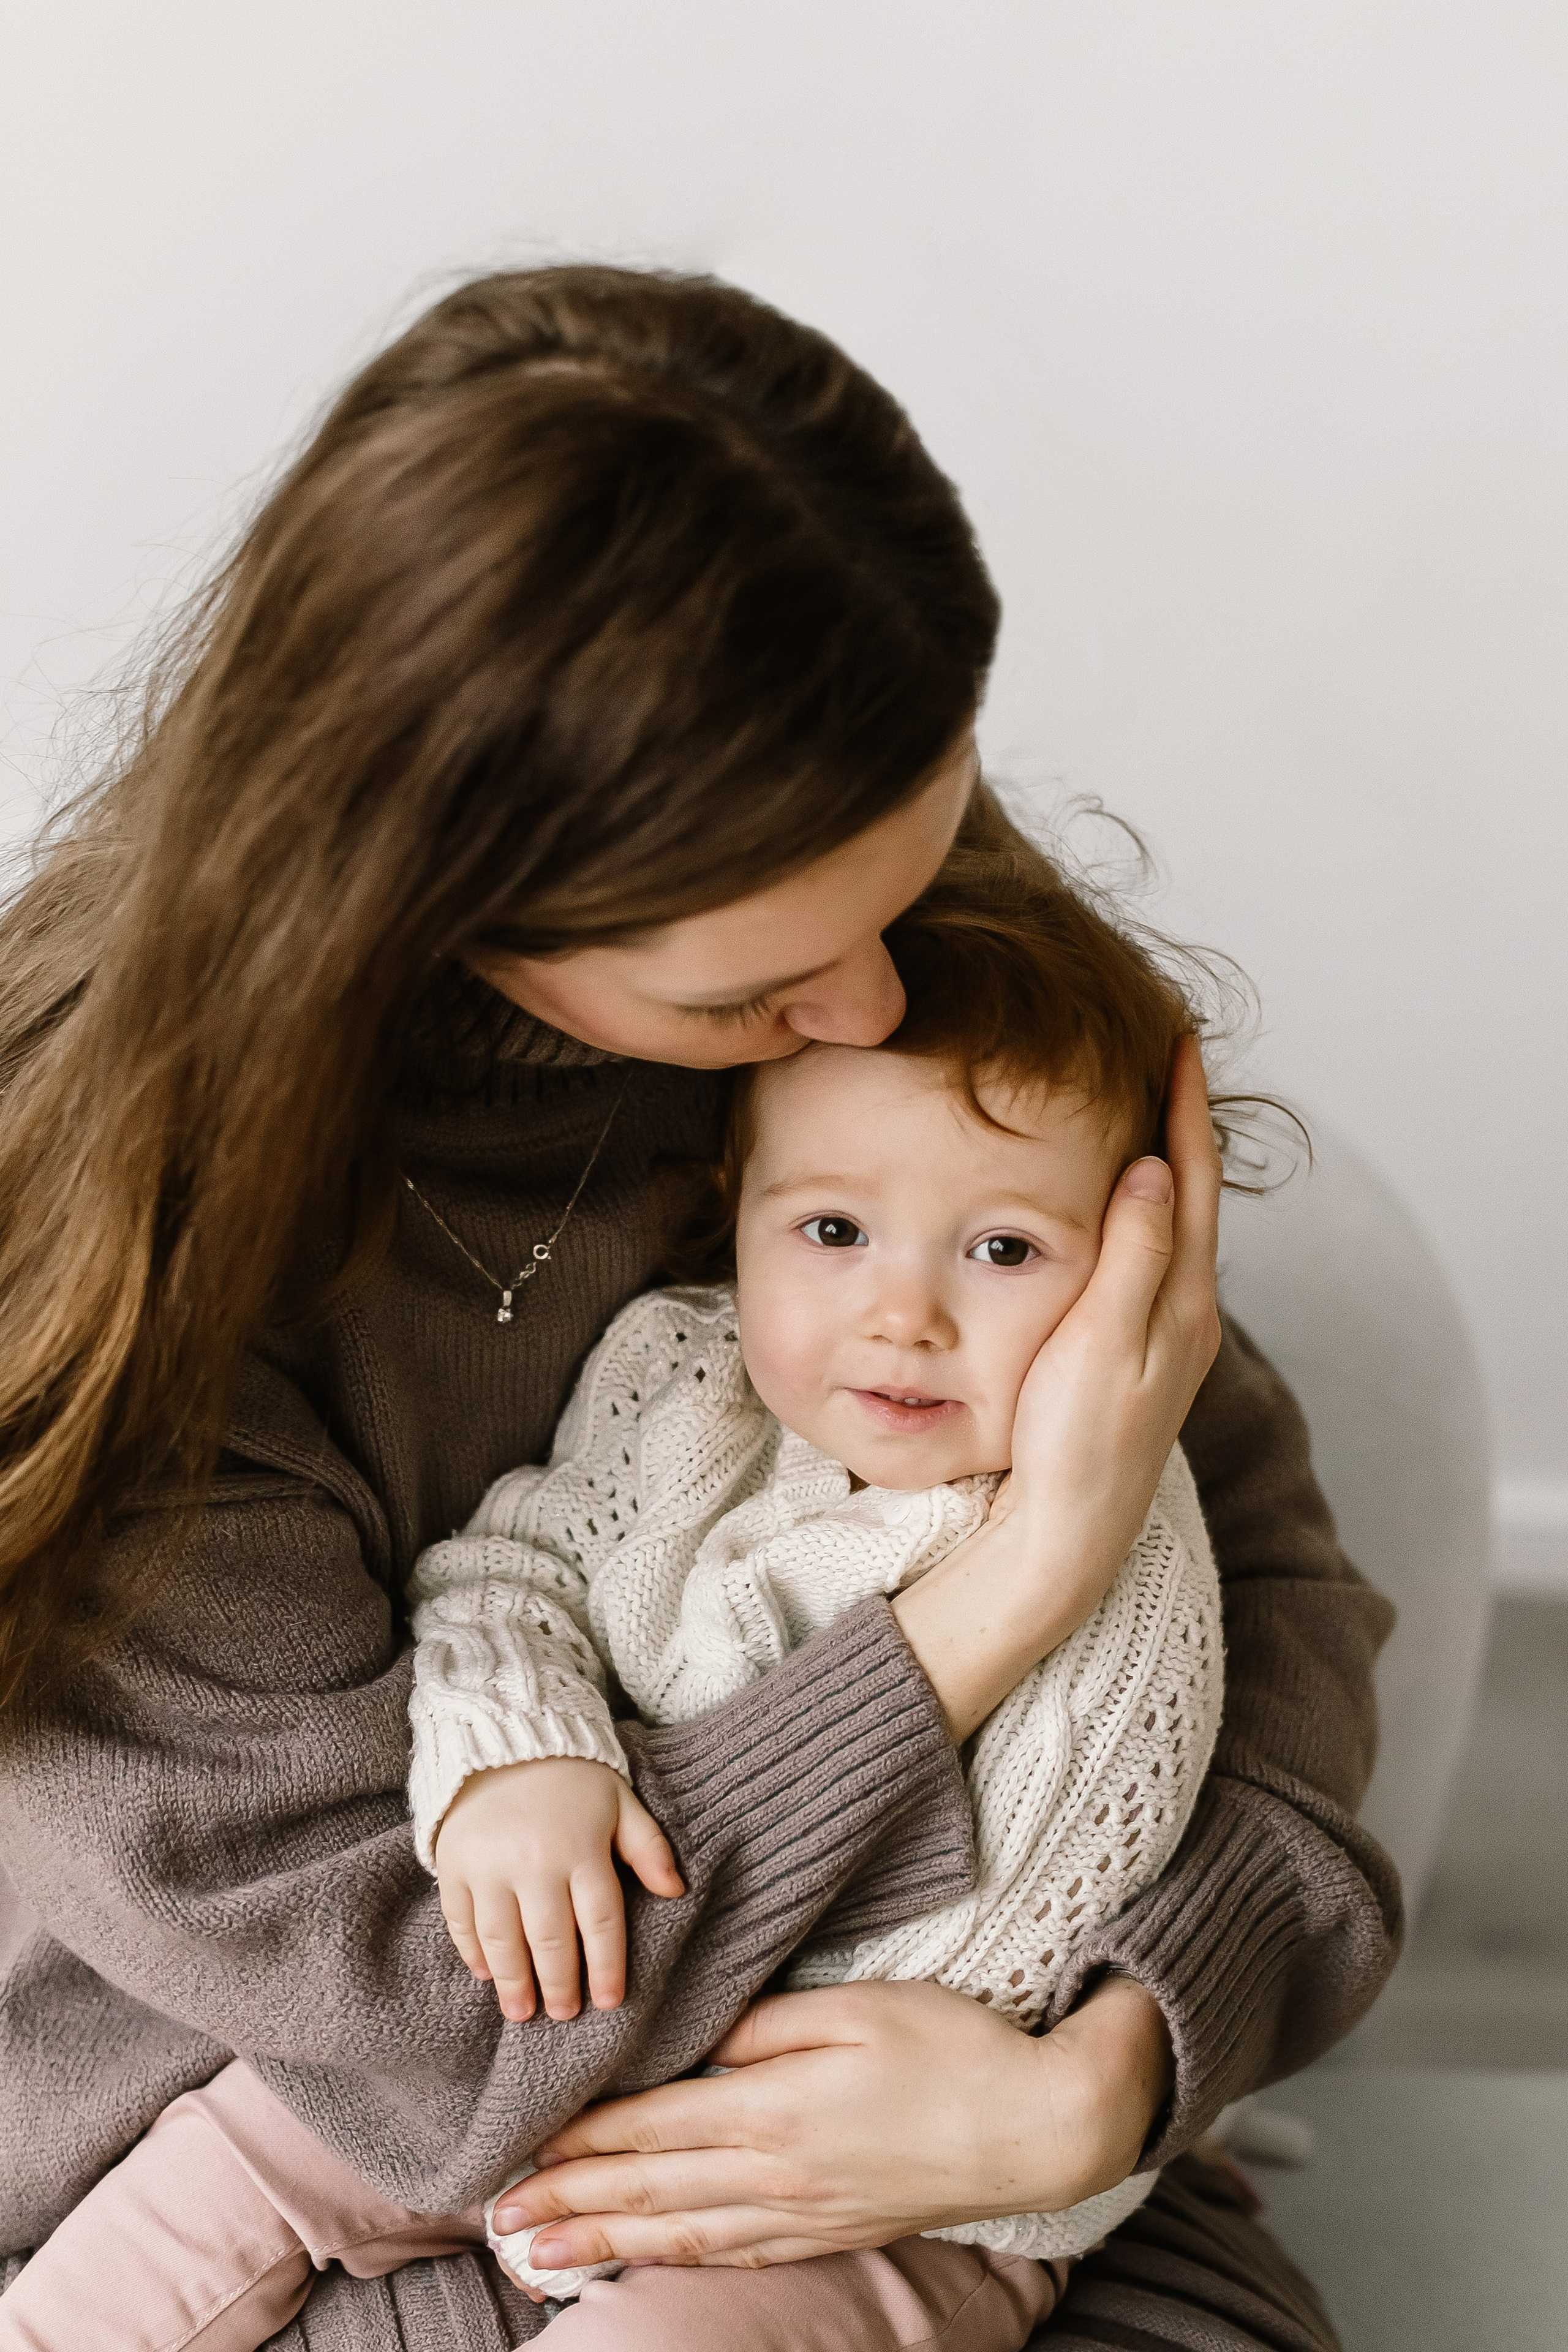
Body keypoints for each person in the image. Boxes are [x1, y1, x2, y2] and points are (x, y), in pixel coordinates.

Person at [0, 266, 1399, 2352]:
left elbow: (1258, 1572)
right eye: (748, 999)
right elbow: (431, 2035)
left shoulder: (845, 910)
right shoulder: (107, 1255)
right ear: (436, 880)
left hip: (938, 2095)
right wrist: (1008, 1586)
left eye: (903, 887)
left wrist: (1104, 2070)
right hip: (304, 2133)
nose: (865, 1013)